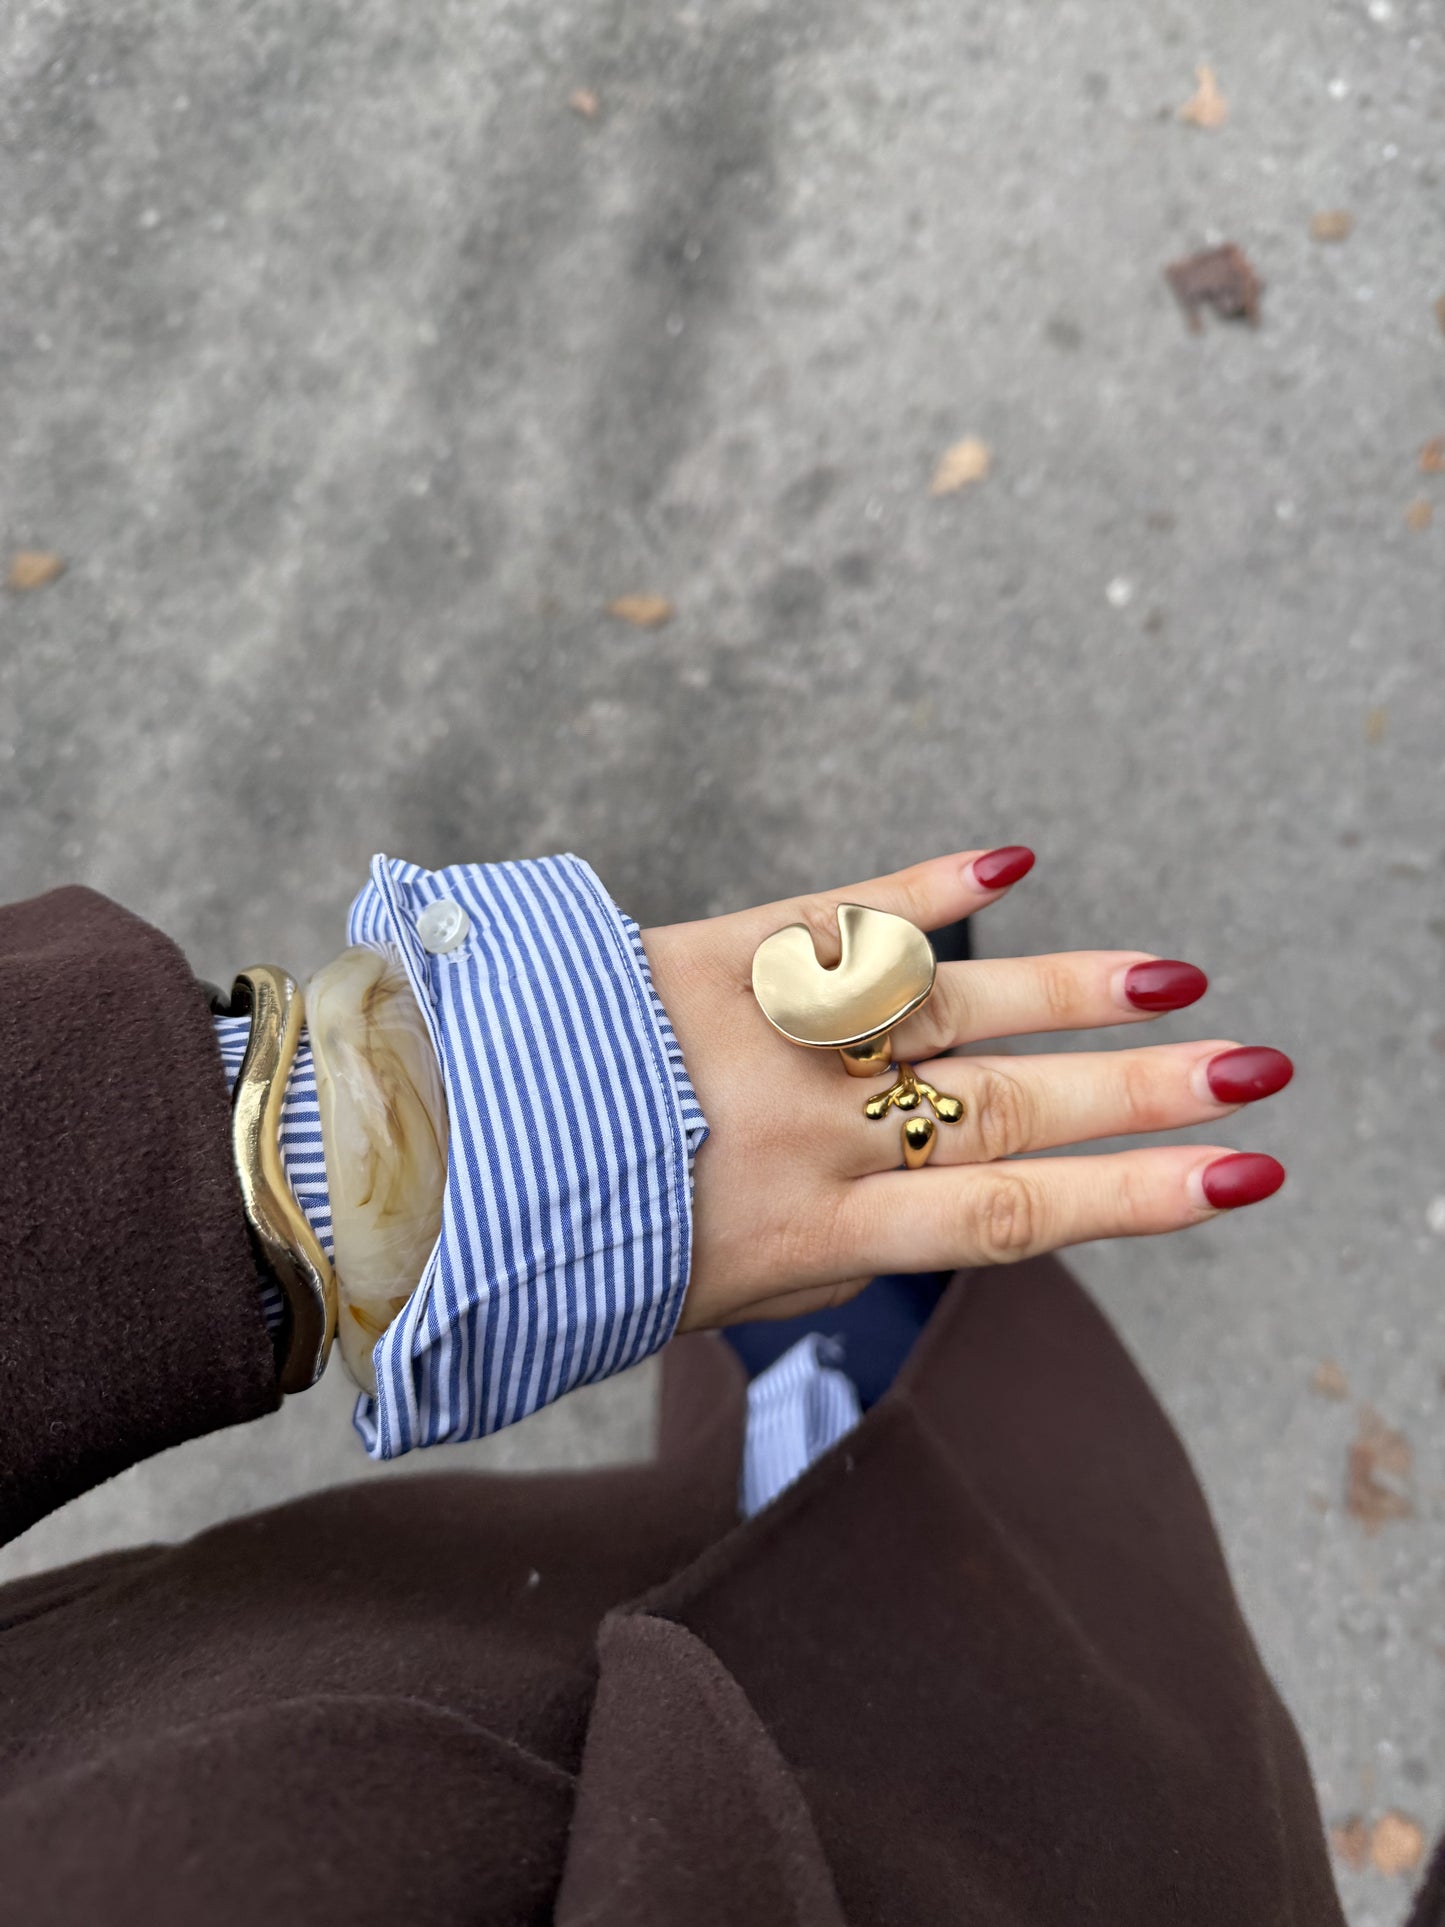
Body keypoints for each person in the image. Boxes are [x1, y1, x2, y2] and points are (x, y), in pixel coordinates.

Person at [0, 842, 1403, 1925]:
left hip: (332, 1678)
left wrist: (334, 1156)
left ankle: (830, 1303)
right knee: (1016, 1517)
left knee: (802, 1390)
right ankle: (863, 1287)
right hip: (1026, 1847)